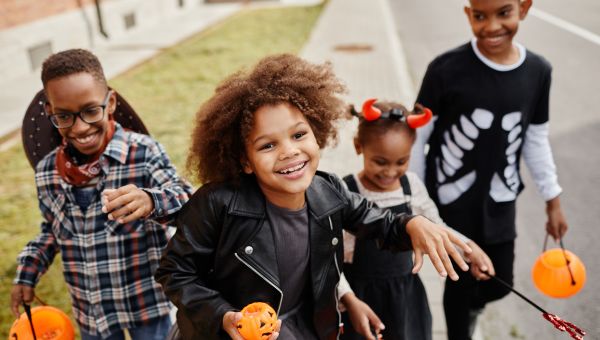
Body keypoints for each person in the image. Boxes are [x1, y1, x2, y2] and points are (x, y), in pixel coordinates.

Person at [154, 53, 474, 340]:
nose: (289, 152)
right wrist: (222, 315)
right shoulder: (217, 204)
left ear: (316, 130)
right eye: (268, 145)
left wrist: (411, 225)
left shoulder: (329, 191)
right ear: (244, 161)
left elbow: (378, 221)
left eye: (298, 134)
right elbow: (175, 271)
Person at [10, 49, 194, 340]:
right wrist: (28, 270)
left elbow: (189, 201)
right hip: (91, 310)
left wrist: (150, 201)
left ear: (110, 103)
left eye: (91, 111)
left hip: (144, 303)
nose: (80, 127)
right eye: (64, 116)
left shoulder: (143, 153)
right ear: (49, 111)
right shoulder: (47, 171)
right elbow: (52, 230)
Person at [411, 0, 569, 339]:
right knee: (459, 284)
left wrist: (552, 199)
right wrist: (418, 207)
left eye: (504, 13)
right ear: (468, 15)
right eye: (480, 16)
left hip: (500, 200)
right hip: (450, 203)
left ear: (524, 9)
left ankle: (471, 310)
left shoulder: (539, 71)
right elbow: (416, 139)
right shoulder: (444, 69)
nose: (492, 26)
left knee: (501, 283)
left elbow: (535, 138)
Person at [338, 100, 495, 340]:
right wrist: (344, 298)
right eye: (380, 162)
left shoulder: (411, 187)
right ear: (359, 146)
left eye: (401, 162)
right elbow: (331, 255)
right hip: (359, 297)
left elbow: (437, 227)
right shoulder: (346, 191)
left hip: (405, 296)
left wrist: (469, 249)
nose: (390, 172)